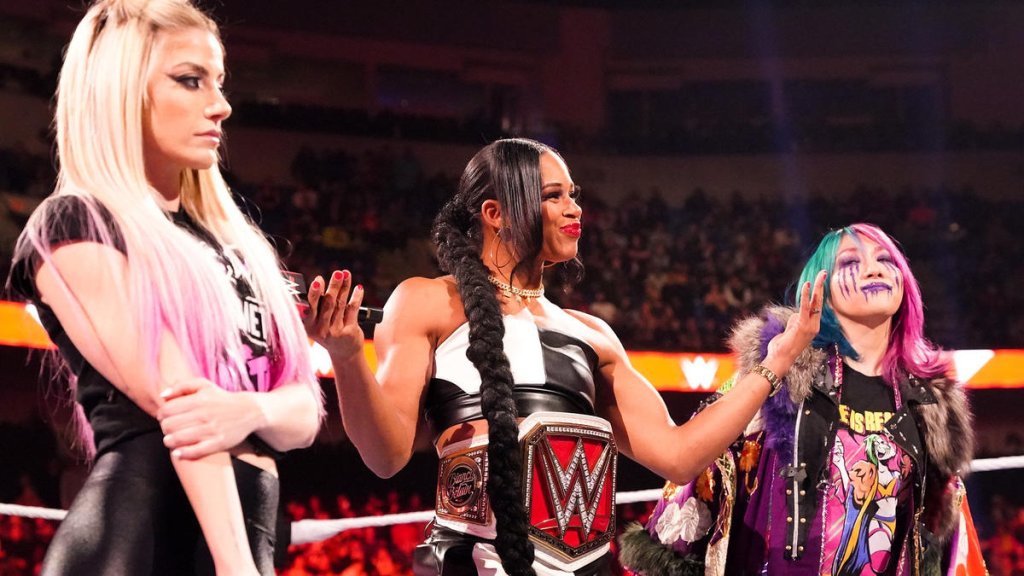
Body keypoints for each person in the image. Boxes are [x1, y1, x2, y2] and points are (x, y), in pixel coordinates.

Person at [305, 138, 827, 576]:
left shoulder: (593, 334)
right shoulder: (426, 300)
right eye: (553, 196)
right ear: (494, 214)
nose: (575, 208)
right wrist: (348, 358)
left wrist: (776, 363)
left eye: (573, 195)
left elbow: (680, 454)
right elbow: (386, 456)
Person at [8, 1, 322, 573]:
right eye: (190, 80)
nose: (221, 105)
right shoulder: (77, 223)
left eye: (219, 82)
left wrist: (248, 409)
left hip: (234, 542)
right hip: (140, 546)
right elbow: (183, 410)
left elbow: (303, 413)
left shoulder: (233, 244)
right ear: (121, 92)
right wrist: (236, 566)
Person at [620, 224, 985, 576]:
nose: (874, 269)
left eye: (885, 259)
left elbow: (943, 542)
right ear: (820, 286)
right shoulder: (776, 380)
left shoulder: (928, 406)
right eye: (850, 262)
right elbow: (694, 484)